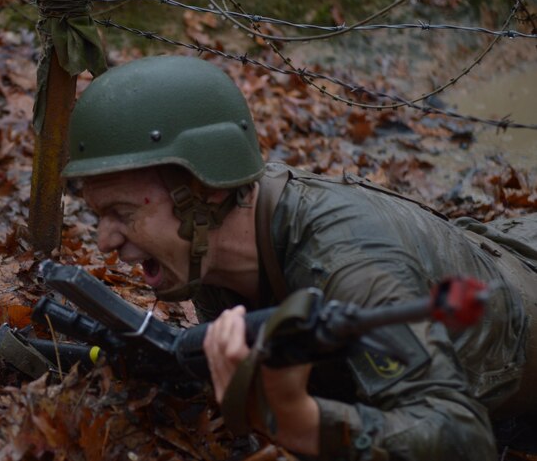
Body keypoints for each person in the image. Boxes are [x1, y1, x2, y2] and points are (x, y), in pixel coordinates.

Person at [60, 55, 537, 460]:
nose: (104, 241)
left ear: (201, 189)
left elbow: (464, 437)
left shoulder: (348, 261)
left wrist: (305, 423)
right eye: (99, 215)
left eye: (121, 213)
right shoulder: (208, 245)